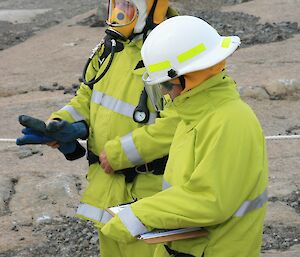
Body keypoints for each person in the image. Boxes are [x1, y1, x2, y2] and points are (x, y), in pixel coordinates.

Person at [16, 1, 181, 257]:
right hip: (109, 192)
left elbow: (180, 122)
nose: (117, 16)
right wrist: (64, 125)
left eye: (127, 8)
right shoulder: (109, 50)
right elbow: (87, 96)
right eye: (116, 6)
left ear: (150, 10)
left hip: (150, 196)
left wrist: (118, 153)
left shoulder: (171, 51)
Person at [100, 15, 269, 257]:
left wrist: (139, 214)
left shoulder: (230, 121)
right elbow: (185, 191)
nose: (166, 94)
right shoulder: (194, 116)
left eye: (168, 85)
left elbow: (209, 200)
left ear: (190, 78)